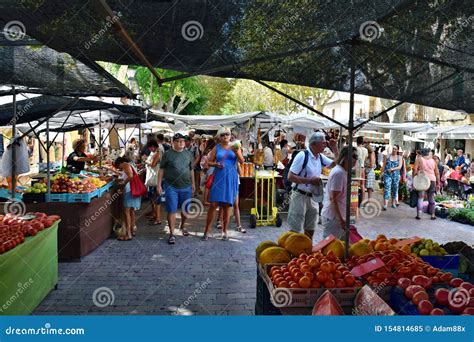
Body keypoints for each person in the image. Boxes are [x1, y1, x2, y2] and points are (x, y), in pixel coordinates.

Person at [287, 132, 338, 240]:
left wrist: (335, 148)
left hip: (313, 197)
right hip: (299, 196)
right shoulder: (302, 155)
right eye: (323, 143)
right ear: (314, 144)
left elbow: (336, 164)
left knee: (310, 229)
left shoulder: (319, 157)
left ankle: (307, 252)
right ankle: (293, 253)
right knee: (295, 230)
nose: (325, 145)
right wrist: (310, 181)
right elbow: (290, 176)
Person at [202, 127, 244, 241]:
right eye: (223, 135)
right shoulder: (217, 147)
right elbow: (208, 162)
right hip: (219, 177)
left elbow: (242, 161)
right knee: (213, 205)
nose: (225, 136)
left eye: (227, 134)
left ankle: (224, 231)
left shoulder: (236, 146)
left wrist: (236, 152)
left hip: (231, 177)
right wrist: (216, 164)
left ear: (230, 135)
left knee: (227, 206)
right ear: (219, 137)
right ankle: (206, 231)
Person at [157, 133, 195, 245]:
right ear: (173, 142)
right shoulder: (167, 154)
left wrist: (193, 183)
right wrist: (159, 185)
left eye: (183, 141)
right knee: (172, 210)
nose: (181, 143)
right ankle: (172, 234)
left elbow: (191, 169)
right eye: (178, 141)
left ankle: (182, 225)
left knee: (186, 210)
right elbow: (161, 170)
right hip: (171, 186)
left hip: (186, 186)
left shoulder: (188, 154)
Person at [321, 146, 358, 239]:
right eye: (354, 156)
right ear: (345, 157)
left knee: (339, 248)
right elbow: (333, 198)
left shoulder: (343, 172)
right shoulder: (339, 173)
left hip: (337, 218)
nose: (356, 159)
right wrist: (340, 220)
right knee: (329, 249)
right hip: (334, 219)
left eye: (356, 157)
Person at [113, 157, 141, 241]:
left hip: (129, 190)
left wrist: (123, 182)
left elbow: (130, 176)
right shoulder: (130, 164)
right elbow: (126, 174)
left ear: (120, 163)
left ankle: (128, 234)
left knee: (126, 212)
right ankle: (132, 230)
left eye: (118, 166)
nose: (119, 167)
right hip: (134, 190)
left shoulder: (125, 164)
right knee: (131, 211)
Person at [413, 148, 439, 220]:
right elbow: (437, 173)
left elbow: (415, 169)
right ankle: (433, 215)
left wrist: (414, 178)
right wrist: (438, 183)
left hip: (423, 180)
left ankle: (419, 215)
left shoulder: (419, 159)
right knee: (431, 197)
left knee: (421, 197)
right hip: (432, 180)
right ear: (428, 153)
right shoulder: (433, 161)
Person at [144, 140, 162, 225]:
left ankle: (158, 218)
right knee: (152, 198)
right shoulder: (153, 153)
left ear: (154, 146)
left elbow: (153, 164)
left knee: (156, 199)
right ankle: (154, 214)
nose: (150, 149)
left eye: (151, 147)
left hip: (155, 179)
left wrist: (145, 160)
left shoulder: (158, 153)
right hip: (151, 179)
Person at [381, 145, 403, 210]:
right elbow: (384, 165)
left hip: (396, 175)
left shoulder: (399, 157)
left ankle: (393, 203)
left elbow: (400, 167)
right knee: (387, 188)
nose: (394, 150)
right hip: (387, 174)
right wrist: (381, 173)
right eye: (393, 148)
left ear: (397, 150)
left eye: (395, 149)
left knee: (395, 189)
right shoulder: (387, 156)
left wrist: (392, 169)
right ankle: (385, 204)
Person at [356, 136, 368, 204]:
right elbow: (366, 159)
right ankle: (362, 202)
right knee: (362, 185)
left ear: (356, 141)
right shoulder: (365, 150)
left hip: (356, 168)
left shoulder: (355, 149)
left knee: (355, 185)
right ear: (362, 142)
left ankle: (355, 200)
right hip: (363, 168)